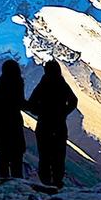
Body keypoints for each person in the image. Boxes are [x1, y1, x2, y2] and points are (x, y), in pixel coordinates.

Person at [28, 60, 78, 188]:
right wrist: (63, 113)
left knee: (44, 155)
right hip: (59, 125)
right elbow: (73, 101)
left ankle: (45, 182)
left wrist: (40, 112)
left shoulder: (42, 84)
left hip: (44, 125)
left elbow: (31, 104)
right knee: (59, 155)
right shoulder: (62, 84)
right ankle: (57, 182)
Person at [0, 59, 26, 178]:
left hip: (1, 124)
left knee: (4, 155)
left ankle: (3, 180)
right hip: (14, 123)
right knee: (16, 155)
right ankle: (18, 181)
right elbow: (20, 102)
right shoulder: (17, 82)